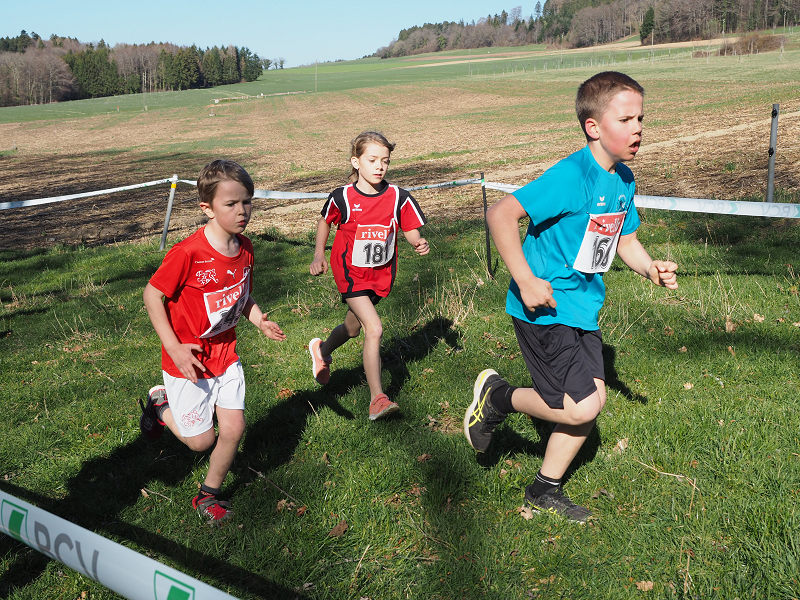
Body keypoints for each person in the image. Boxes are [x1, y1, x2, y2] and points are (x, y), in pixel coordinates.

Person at [464, 72, 678, 523]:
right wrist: (525, 280)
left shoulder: (622, 179)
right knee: (582, 407)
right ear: (593, 127)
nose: (638, 128)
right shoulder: (571, 176)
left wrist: (650, 269)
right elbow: (500, 214)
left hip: (583, 306)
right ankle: (498, 398)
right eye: (626, 120)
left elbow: (624, 241)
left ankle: (544, 488)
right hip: (543, 306)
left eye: (641, 118)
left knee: (590, 403)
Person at [140, 159, 286, 525]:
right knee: (201, 442)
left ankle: (207, 495)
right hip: (188, 359)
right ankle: (160, 404)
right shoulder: (187, 253)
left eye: (247, 201)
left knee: (234, 428)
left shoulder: (246, 248)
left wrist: (259, 320)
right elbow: (151, 295)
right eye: (231, 204)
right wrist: (173, 347)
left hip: (225, 353)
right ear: (207, 208)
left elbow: (241, 296)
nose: (242, 211)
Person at [308, 131, 429, 420]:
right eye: (372, 160)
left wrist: (417, 242)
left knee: (352, 329)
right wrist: (319, 254)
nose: (379, 166)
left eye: (385, 161)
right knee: (373, 328)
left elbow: (409, 227)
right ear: (356, 162)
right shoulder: (343, 197)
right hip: (350, 273)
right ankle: (377, 398)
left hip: (380, 275)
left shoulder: (398, 197)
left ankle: (321, 350)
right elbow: (325, 222)